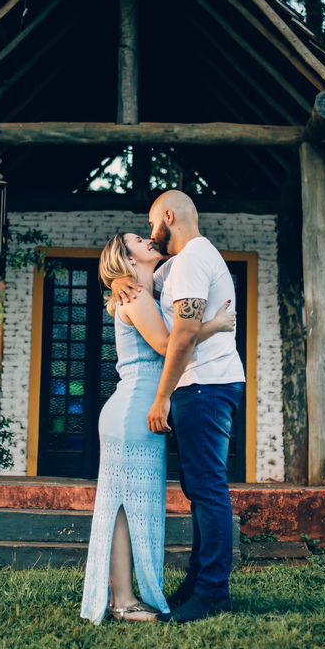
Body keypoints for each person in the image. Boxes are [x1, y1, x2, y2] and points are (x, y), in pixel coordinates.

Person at [79, 231, 236, 625]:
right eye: (137, 240)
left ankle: (125, 599)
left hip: (139, 409)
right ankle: (123, 601)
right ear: (127, 258)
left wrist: (116, 279)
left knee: (127, 506)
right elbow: (169, 345)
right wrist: (216, 324)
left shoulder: (150, 288)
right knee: (124, 507)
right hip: (134, 409)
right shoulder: (136, 296)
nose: (149, 238)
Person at [111, 190, 246, 624]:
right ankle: (195, 583)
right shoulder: (179, 263)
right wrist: (115, 279)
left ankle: (212, 592)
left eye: (152, 225)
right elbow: (137, 281)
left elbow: (183, 335)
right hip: (204, 385)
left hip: (206, 385)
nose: (151, 235)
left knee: (208, 489)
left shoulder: (190, 260)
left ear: (168, 216)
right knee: (199, 489)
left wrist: (162, 396)